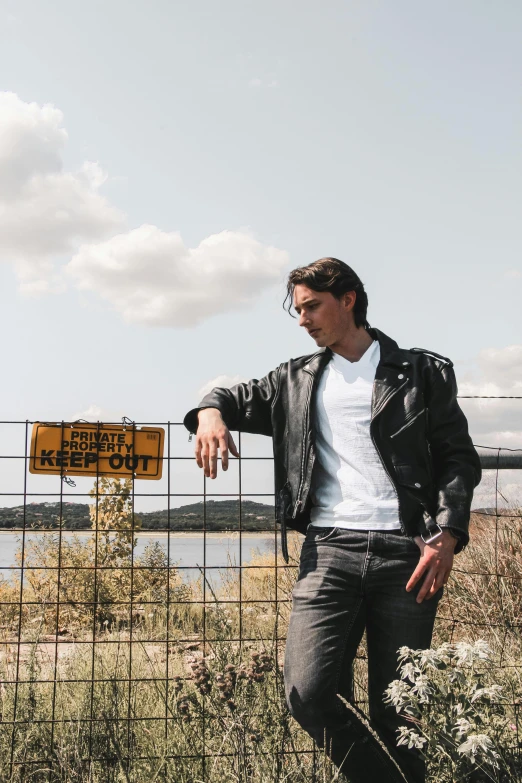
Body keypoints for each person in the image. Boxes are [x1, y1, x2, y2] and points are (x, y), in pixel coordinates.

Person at [183, 257, 481, 783]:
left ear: (348, 299)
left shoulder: (421, 372)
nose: (303, 321)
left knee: (403, 711)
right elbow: (228, 396)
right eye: (297, 310)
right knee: (308, 693)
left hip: (409, 555)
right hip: (329, 553)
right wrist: (209, 413)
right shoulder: (294, 380)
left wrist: (449, 534)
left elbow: (457, 457)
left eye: (312, 307)